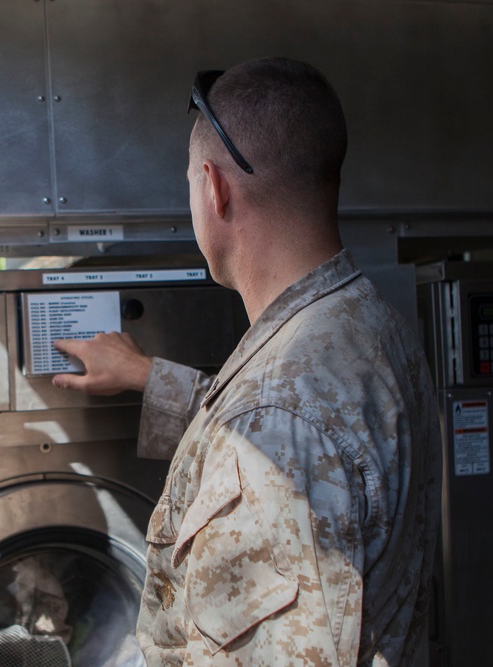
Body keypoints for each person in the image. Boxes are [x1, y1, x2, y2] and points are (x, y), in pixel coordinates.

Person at [52, 57, 440, 665]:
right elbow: (309, 429)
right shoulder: (366, 323)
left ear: (214, 188)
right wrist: (150, 377)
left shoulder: (279, 416)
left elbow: (280, 429)